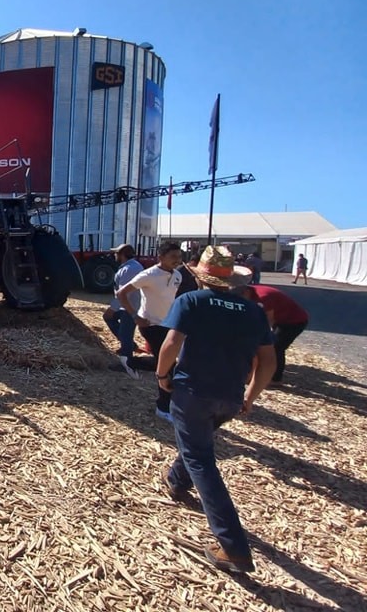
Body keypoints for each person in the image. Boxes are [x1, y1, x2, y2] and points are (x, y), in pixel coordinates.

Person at [157, 245, 275, 574]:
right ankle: (177, 482)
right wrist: (250, 396)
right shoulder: (252, 311)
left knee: (201, 460)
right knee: (198, 442)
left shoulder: (192, 301)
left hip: (194, 392)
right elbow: (268, 360)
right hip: (231, 397)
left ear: (201, 277)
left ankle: (233, 547)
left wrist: (162, 375)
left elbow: (171, 343)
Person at [116, 241, 184, 422]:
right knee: (168, 366)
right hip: (150, 325)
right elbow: (121, 293)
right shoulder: (148, 275)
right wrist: (134, 316)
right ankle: (163, 408)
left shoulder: (178, 275)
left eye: (179, 257)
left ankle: (131, 361)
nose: (177, 261)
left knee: (167, 364)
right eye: (172, 257)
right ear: (160, 257)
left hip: (168, 325)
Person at [241, 285, 309, 384]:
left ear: (246, 292)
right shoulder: (249, 294)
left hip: (294, 321)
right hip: (280, 318)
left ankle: (275, 378)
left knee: (275, 347)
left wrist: (260, 339)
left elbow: (268, 322)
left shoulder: (263, 297)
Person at [104, 244, 144, 379]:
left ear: (122, 255)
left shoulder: (129, 270)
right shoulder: (133, 267)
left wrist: (113, 308)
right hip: (129, 305)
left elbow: (123, 293)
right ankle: (129, 346)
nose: (115, 256)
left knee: (125, 332)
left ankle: (127, 362)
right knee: (115, 323)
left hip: (130, 306)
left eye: (116, 253)